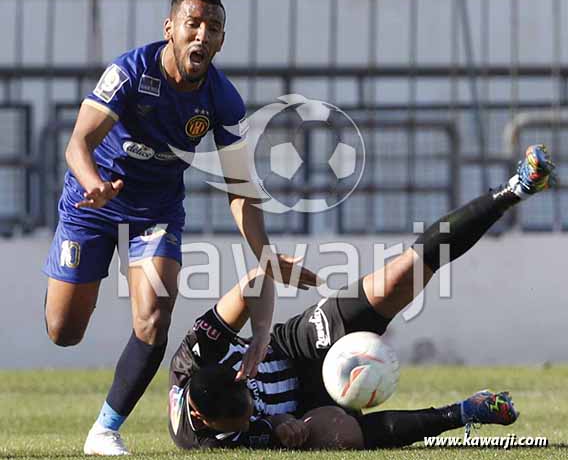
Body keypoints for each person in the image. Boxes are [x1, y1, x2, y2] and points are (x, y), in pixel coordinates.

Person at [42, 0, 317, 456]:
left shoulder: (221, 99)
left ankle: (105, 430)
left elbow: (240, 189)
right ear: (170, 28)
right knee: (63, 332)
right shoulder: (130, 72)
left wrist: (266, 255)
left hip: (156, 212)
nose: (202, 36)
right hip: (94, 204)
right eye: (193, 24)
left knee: (153, 317)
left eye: (213, 28)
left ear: (221, 40)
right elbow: (77, 143)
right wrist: (94, 185)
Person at [168, 145, 554, 450]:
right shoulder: (207, 443)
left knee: (400, 276)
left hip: (293, 346)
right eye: (245, 417)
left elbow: (256, 279)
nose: (250, 412)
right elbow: (263, 428)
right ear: (204, 420)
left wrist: (262, 334)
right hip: (306, 409)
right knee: (338, 436)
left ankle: (514, 189)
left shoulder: (196, 353)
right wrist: (275, 425)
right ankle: (465, 411)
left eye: (249, 404)